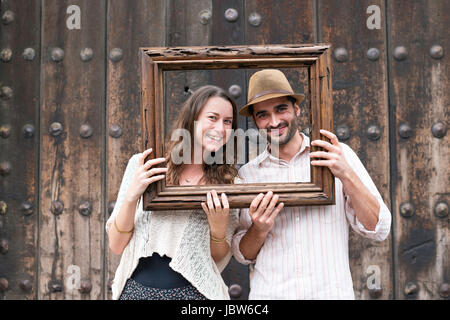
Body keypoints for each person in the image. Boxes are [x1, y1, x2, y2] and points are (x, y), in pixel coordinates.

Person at [231, 69, 392, 299]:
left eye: (281, 109)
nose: (274, 121)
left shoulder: (336, 155)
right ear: (256, 121)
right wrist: (259, 229)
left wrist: (346, 174)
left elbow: (379, 229)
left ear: (296, 109)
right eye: (263, 115)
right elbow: (242, 254)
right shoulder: (248, 174)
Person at [106, 85, 240, 300]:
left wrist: (218, 229)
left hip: (195, 296)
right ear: (192, 118)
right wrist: (133, 195)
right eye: (213, 118)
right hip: (137, 294)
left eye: (227, 122)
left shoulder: (230, 183)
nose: (221, 128)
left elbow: (215, 260)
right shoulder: (145, 166)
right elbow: (116, 244)